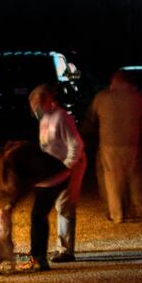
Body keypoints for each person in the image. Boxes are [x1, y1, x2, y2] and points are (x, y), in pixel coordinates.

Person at [85, 70, 142, 223]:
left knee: (112, 180)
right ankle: (140, 210)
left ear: (114, 81)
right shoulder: (138, 98)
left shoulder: (102, 97)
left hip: (109, 144)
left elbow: (91, 118)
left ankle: (117, 214)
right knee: (135, 177)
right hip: (133, 143)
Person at [29, 83, 85, 265]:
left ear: (47, 100)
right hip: (54, 168)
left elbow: (76, 143)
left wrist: (68, 165)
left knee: (64, 205)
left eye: (36, 104)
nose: (34, 109)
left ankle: (66, 250)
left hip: (70, 165)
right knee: (54, 205)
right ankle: (58, 247)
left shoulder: (61, 117)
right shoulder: (44, 118)